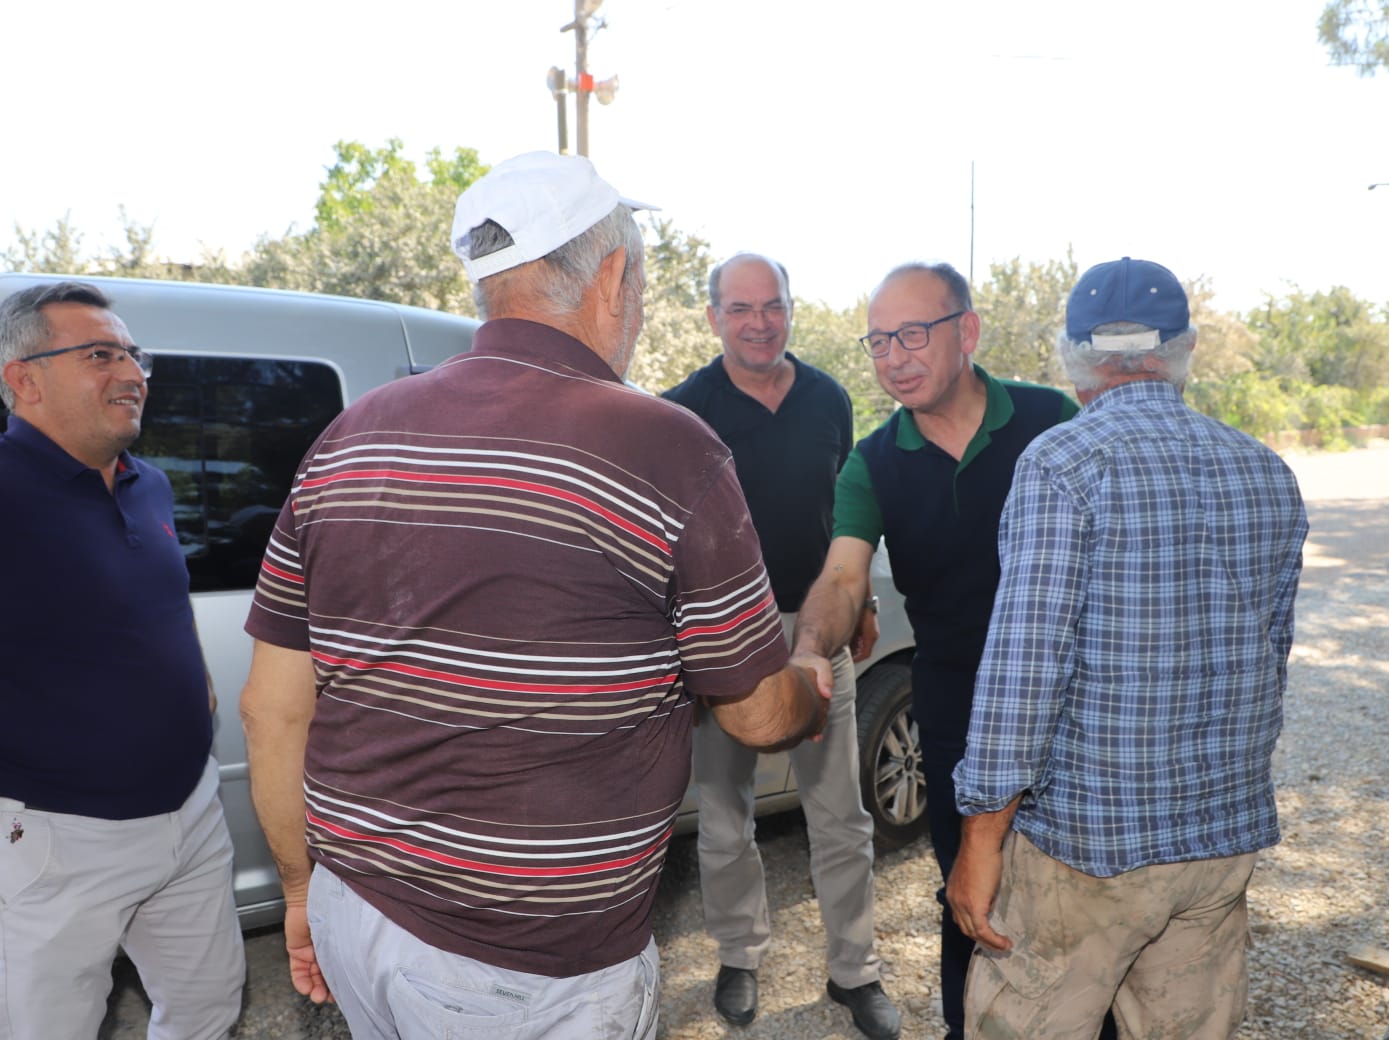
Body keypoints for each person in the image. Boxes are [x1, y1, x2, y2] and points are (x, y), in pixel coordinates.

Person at [238, 152, 827, 1040]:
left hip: (352, 909)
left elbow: (271, 708)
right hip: (523, 966)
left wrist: (297, 889)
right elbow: (752, 715)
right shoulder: (664, 445)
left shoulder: (348, 436)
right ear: (615, 276)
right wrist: (809, 692)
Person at [947, 257, 1309, 1039]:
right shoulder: (1266, 472)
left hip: (1089, 852)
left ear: (1076, 355)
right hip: (1217, 845)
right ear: (1182, 349)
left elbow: (1024, 669)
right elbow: (1269, 657)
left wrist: (981, 838)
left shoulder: (1063, 463)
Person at [791, 261, 1078, 1040]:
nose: (894, 357)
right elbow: (843, 575)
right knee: (968, 887)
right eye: (879, 341)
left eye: (913, 334)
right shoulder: (874, 460)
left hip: (1075, 696)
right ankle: (967, 1027)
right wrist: (812, 646)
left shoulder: (1054, 417)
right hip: (957, 702)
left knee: (1081, 888)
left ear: (968, 331)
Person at [662, 254, 899, 1039]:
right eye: (740, 308)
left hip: (815, 635)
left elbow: (848, 518)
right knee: (726, 817)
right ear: (713, 318)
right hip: (724, 650)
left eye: (772, 306)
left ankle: (855, 972)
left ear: (791, 309)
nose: (759, 322)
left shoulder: (830, 398)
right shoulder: (684, 413)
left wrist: (858, 597)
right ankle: (738, 954)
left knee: (841, 817)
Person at [0, 281, 245, 1039]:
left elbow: (162, 609)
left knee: (207, 1010)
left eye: (135, 355)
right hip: (59, 839)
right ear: (23, 379)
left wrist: (196, 685)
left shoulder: (153, 487)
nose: (133, 372)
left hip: (191, 814)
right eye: (101, 354)